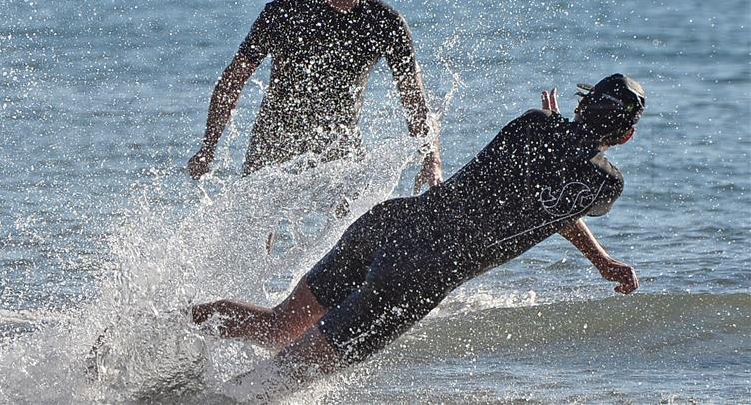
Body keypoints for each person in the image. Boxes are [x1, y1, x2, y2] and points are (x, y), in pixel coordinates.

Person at [191, 73, 646, 398]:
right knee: (288, 372)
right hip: (417, 273)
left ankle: (157, 326)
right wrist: (603, 263)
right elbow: (556, 205)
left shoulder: (532, 125)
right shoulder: (605, 184)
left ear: (582, 105)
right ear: (625, 138)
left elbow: (549, 198)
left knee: (279, 327)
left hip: (391, 222)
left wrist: (556, 127)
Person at [188, 0, 442, 193]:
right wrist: (208, 147)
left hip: (339, 142)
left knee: (354, 218)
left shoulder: (385, 23)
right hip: (275, 138)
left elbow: (413, 97)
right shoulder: (284, 13)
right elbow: (233, 80)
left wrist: (431, 159)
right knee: (257, 228)